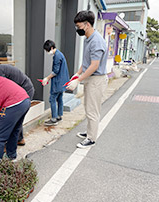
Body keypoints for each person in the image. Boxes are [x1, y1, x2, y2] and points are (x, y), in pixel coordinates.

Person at [66, 10, 108, 149]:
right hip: (91, 79)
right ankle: (89, 131)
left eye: (79, 26)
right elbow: (85, 62)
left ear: (87, 25)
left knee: (92, 110)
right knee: (88, 107)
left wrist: (78, 81)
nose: (77, 29)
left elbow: (94, 66)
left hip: (96, 80)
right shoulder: (88, 39)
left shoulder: (96, 41)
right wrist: (77, 74)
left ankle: (91, 138)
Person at [42, 40, 70, 126]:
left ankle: (54, 119)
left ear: (51, 48)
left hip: (58, 82)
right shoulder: (60, 54)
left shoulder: (57, 56)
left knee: (52, 99)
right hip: (63, 81)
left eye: (47, 50)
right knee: (59, 98)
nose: (47, 52)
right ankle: (59, 116)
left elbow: (55, 71)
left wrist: (47, 78)